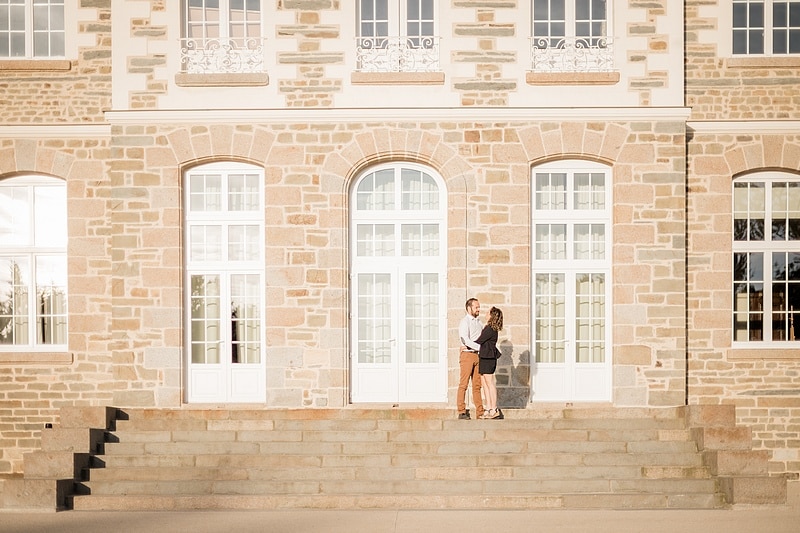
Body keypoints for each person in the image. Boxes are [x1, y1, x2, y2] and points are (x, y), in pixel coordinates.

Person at [457, 298, 484, 420]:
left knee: (477, 385)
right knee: (464, 384)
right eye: (476, 307)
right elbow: (465, 340)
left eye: (478, 307)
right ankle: (462, 411)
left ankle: (480, 411)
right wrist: (480, 347)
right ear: (469, 308)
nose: (478, 309)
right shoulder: (464, 322)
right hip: (467, 355)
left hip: (478, 355)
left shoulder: (479, 323)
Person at [476, 306, 503, 419]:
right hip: (484, 357)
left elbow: (479, 340)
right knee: (485, 383)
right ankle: (488, 408)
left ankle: (494, 408)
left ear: (492, 315)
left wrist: (467, 344)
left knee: (489, 383)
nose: (486, 314)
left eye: (488, 312)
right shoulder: (489, 327)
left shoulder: (490, 329)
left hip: (488, 358)